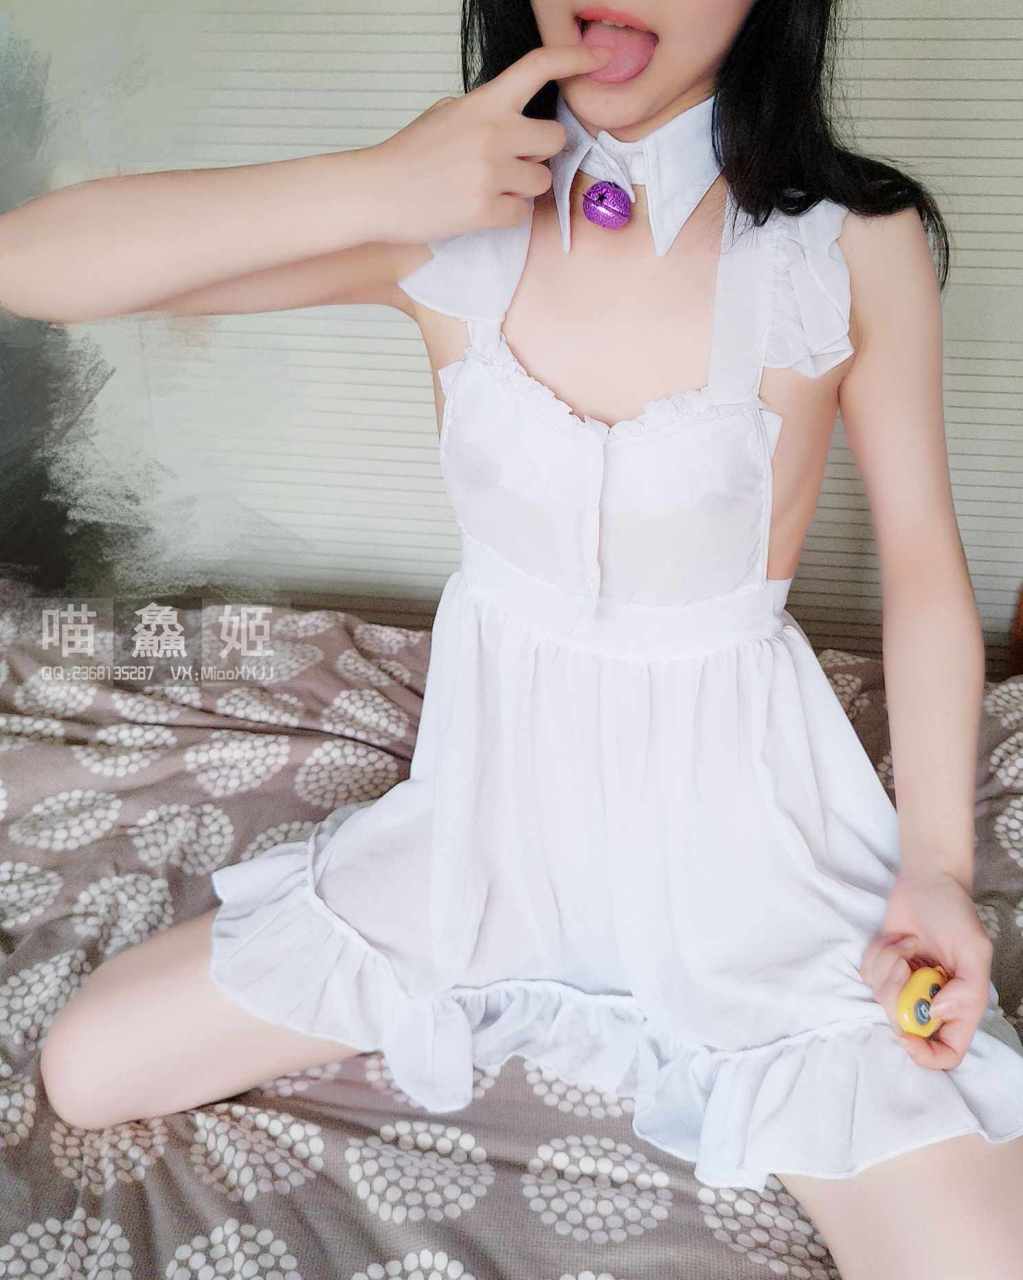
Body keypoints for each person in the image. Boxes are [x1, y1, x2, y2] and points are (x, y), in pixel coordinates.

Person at [9, 2, 1022, 1274]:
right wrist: (379, 180)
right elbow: (27, 267)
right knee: (87, 1066)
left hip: (751, 864)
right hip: (482, 845)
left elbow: (923, 566)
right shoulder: (447, 214)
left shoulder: (852, 240)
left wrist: (934, 866)